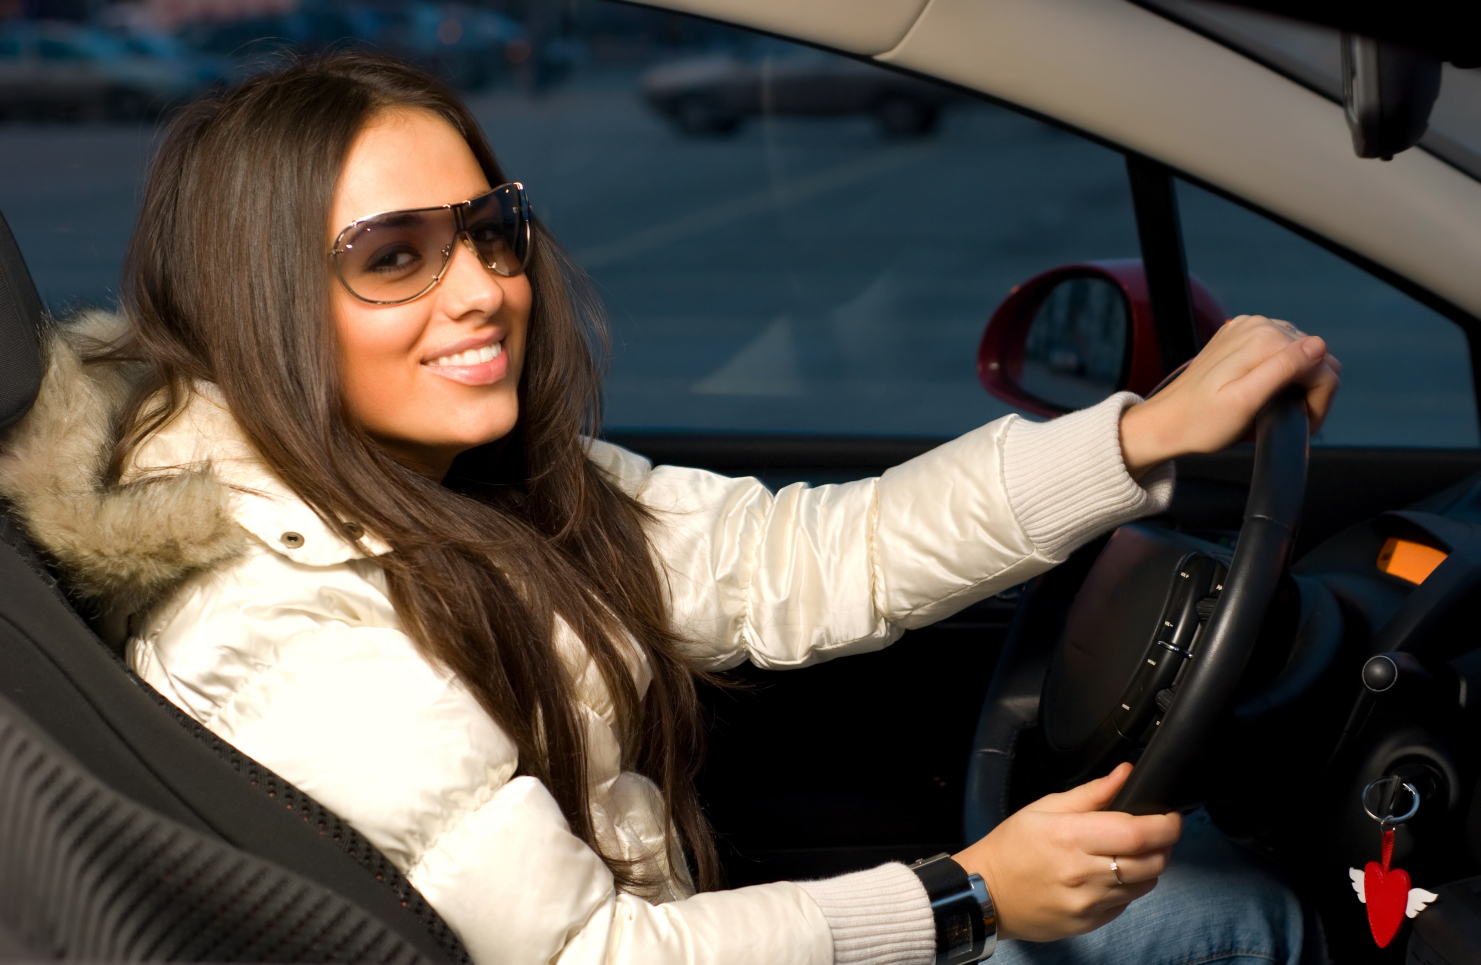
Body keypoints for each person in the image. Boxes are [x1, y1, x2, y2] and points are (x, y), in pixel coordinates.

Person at [0, 53, 1338, 965]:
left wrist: (1139, 436)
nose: (481, 291)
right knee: (1241, 919)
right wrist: (964, 894)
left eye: (488, 231)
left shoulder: (446, 488)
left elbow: (804, 557)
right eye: (392, 257)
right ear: (254, 303)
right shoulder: (279, 625)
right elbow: (596, 956)